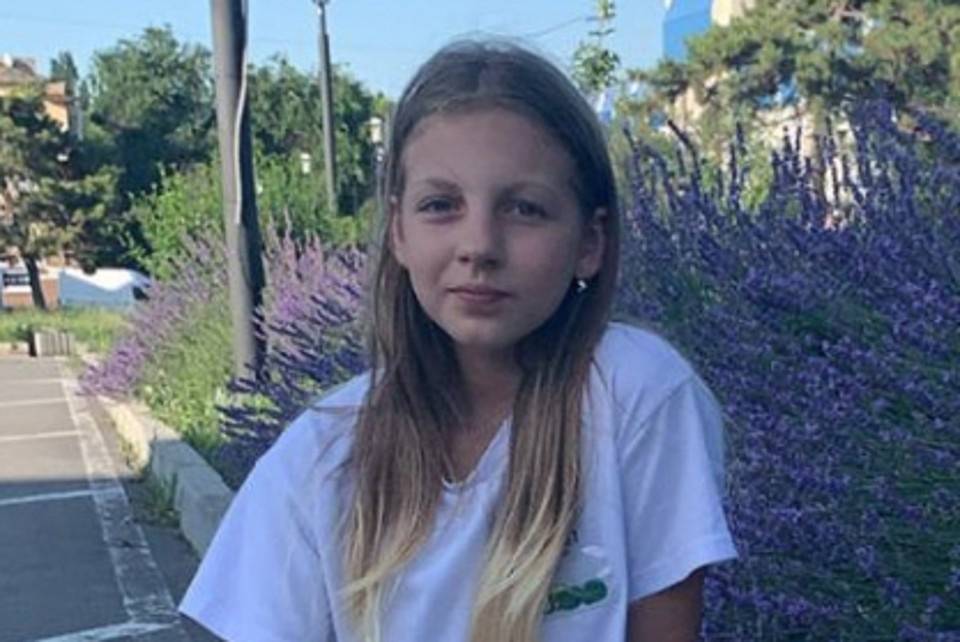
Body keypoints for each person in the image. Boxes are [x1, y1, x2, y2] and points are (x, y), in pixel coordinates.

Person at [180, 38, 737, 642]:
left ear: (589, 242)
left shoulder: (636, 394)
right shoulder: (324, 451)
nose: (479, 246)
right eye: (441, 205)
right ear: (398, 231)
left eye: (525, 209)